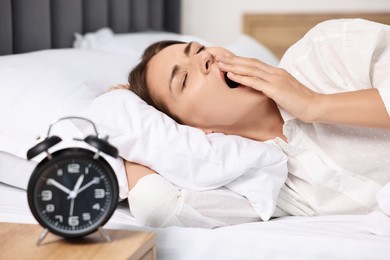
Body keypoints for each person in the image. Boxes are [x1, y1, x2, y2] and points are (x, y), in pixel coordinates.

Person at [114, 18, 390, 228]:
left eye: (198, 50)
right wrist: (125, 123)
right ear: (192, 129)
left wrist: (314, 104)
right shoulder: (264, 182)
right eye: (184, 80)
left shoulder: (325, 50)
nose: (206, 58)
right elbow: (162, 208)